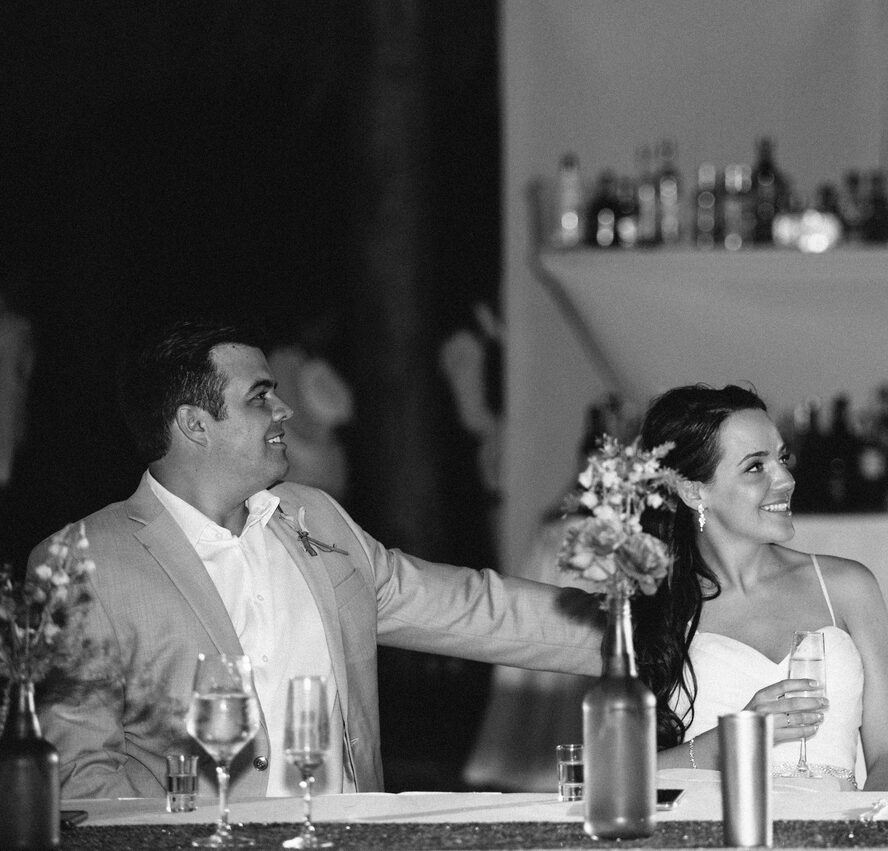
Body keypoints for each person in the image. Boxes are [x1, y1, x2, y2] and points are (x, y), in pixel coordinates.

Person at [32, 318, 602, 800]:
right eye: (259, 397)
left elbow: (472, 608)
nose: (283, 409)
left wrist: (647, 633)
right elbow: (78, 775)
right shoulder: (83, 562)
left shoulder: (315, 518)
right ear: (194, 425)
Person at [633, 384, 888, 791]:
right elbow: (615, 777)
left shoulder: (847, 586)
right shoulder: (654, 608)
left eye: (783, 458)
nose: (785, 479)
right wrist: (736, 738)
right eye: (755, 467)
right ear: (694, 490)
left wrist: (857, 832)